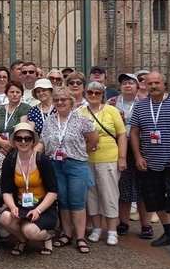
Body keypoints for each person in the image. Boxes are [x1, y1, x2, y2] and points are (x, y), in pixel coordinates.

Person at [129, 71, 170, 259]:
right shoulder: (141, 107)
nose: (153, 86)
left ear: (164, 84)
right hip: (149, 163)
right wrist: (138, 156)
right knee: (156, 200)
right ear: (145, 86)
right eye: (149, 83)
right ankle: (168, 233)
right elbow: (134, 132)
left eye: (157, 82)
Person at [37, 86, 98, 254]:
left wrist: (79, 152)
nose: (60, 102)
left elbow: (93, 139)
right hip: (55, 165)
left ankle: (80, 237)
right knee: (63, 201)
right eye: (56, 100)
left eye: (64, 99)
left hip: (76, 164)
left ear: (71, 101)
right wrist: (32, 155)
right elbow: (43, 142)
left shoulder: (81, 118)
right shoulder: (50, 121)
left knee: (77, 202)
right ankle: (66, 234)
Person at [0, 123, 58, 256]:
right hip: (21, 204)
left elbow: (53, 191)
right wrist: (12, 206)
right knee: (5, 217)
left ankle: (46, 237)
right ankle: (22, 240)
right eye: (19, 138)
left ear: (32, 140)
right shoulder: (10, 160)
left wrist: (38, 210)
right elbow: (6, 190)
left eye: (27, 138)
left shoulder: (42, 160)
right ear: (14, 141)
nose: (23, 142)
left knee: (29, 229)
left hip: (43, 206)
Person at [80, 81, 127, 246]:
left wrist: (122, 158)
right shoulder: (80, 112)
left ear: (102, 95)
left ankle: (112, 230)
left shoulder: (111, 110)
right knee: (91, 195)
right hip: (87, 159)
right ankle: (97, 227)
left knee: (109, 194)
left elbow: (121, 135)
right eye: (90, 92)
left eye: (97, 93)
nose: (93, 95)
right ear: (86, 94)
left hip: (108, 158)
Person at [109, 73, 154, 239]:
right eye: (124, 83)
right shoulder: (112, 103)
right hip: (119, 149)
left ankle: (146, 225)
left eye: (131, 83)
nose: (127, 86)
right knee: (123, 187)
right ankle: (124, 222)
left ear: (137, 86)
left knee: (143, 188)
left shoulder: (146, 102)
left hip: (142, 149)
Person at [0, 80, 31, 153]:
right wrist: (1, 142)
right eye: (12, 92)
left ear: (21, 94)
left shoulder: (25, 108)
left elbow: (22, 127)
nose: (15, 94)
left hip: (16, 148)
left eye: (18, 92)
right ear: (6, 94)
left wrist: (9, 145)